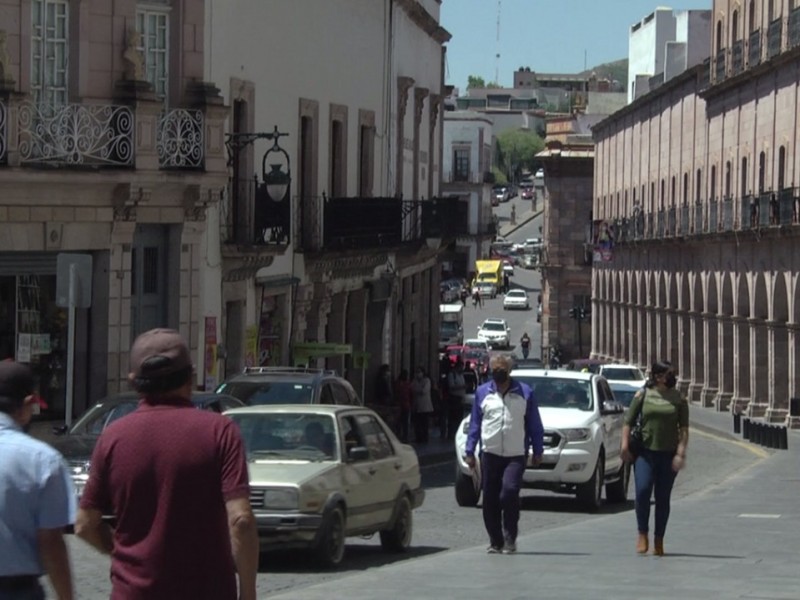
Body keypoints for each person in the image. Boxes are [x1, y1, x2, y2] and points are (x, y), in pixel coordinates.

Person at [75, 328, 259, 600]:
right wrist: (248, 592)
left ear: (134, 382)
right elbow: (241, 520)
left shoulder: (113, 437)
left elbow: (85, 525)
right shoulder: (220, 431)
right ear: (191, 377)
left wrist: (123, 552)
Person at [0, 361, 75, 600]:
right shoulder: (43, 460)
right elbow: (51, 543)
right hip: (17, 591)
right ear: (26, 406)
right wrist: (66, 596)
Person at [464, 354, 544, 554]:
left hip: (515, 454)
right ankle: (495, 540)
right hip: (489, 453)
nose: (498, 374)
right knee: (489, 499)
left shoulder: (524, 393)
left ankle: (510, 537)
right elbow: (475, 424)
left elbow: (535, 424)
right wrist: (469, 451)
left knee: (509, 492)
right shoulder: (483, 393)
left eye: (502, 370)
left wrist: (537, 449)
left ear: (508, 371)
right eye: (495, 370)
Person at [621, 360, 689, 557]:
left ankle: (659, 539)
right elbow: (628, 421)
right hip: (645, 452)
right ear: (658, 376)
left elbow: (684, 429)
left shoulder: (679, 399)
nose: (672, 377)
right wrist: (624, 445)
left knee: (663, 498)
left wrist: (680, 453)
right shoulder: (643, 395)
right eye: (669, 373)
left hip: (668, 454)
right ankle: (642, 532)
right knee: (642, 491)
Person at [410, 366, 433, 444]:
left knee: (424, 423)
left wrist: (417, 390)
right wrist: (418, 389)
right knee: (417, 424)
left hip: (425, 406)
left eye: (419, 372)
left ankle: (424, 438)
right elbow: (411, 388)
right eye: (417, 372)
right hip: (416, 406)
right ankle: (418, 438)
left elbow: (424, 391)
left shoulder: (427, 381)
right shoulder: (414, 381)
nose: (418, 374)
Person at [446, 359, 467, 441]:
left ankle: (458, 433)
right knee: (453, 418)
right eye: (461, 367)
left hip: (461, 399)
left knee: (459, 417)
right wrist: (462, 387)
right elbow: (451, 387)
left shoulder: (461, 375)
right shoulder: (452, 375)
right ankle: (451, 434)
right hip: (454, 399)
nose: (462, 369)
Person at [394, 369, 413, 442]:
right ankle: (405, 437)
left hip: (400, 405)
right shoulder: (407, 384)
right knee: (405, 423)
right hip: (405, 405)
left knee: (399, 422)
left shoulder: (398, 383)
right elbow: (411, 394)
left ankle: (399, 435)